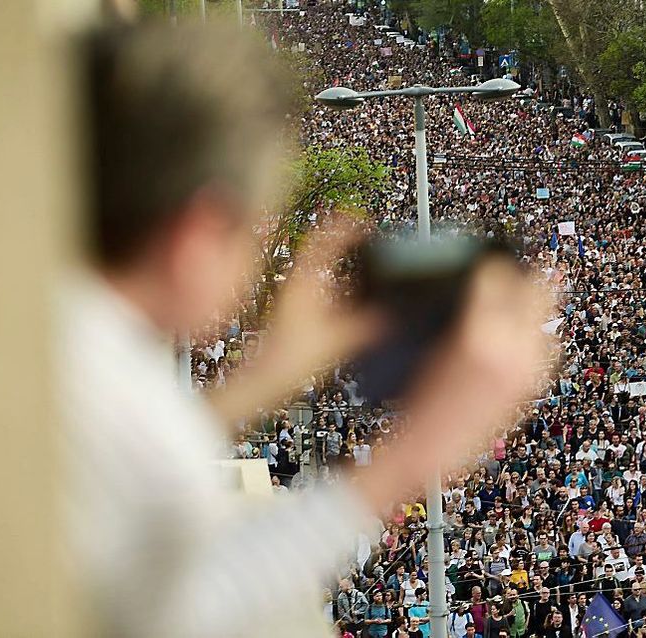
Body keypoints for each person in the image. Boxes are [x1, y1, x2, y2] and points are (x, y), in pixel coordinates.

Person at [64, 20, 550, 638]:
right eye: (253, 230)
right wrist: (414, 453)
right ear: (197, 234)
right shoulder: (98, 381)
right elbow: (195, 610)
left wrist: (261, 380)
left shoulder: (69, 345)